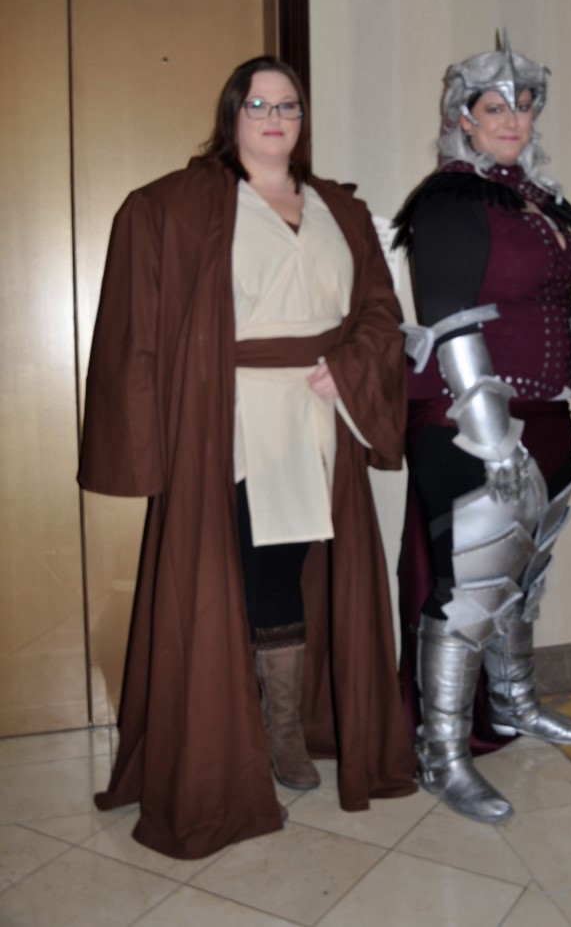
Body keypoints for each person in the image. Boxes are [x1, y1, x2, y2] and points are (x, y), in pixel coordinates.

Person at [78, 55, 416, 859]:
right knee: (227, 578)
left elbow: (379, 308)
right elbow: (142, 316)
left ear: (303, 119)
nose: (274, 118)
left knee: (281, 574)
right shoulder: (184, 204)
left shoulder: (338, 208)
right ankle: (227, 744)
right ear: (232, 114)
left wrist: (351, 366)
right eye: (258, 104)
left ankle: (283, 730)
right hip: (227, 420)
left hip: (319, 416)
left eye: (287, 105)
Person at [393, 35, 571, 823]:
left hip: (546, 420)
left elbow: (563, 311)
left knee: (522, 583)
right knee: (470, 594)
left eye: (524, 106)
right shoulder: (449, 201)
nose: (513, 120)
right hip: (469, 425)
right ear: (464, 117)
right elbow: (449, 320)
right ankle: (443, 755)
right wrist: (493, 442)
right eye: (495, 108)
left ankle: (514, 704)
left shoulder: (537, 203)